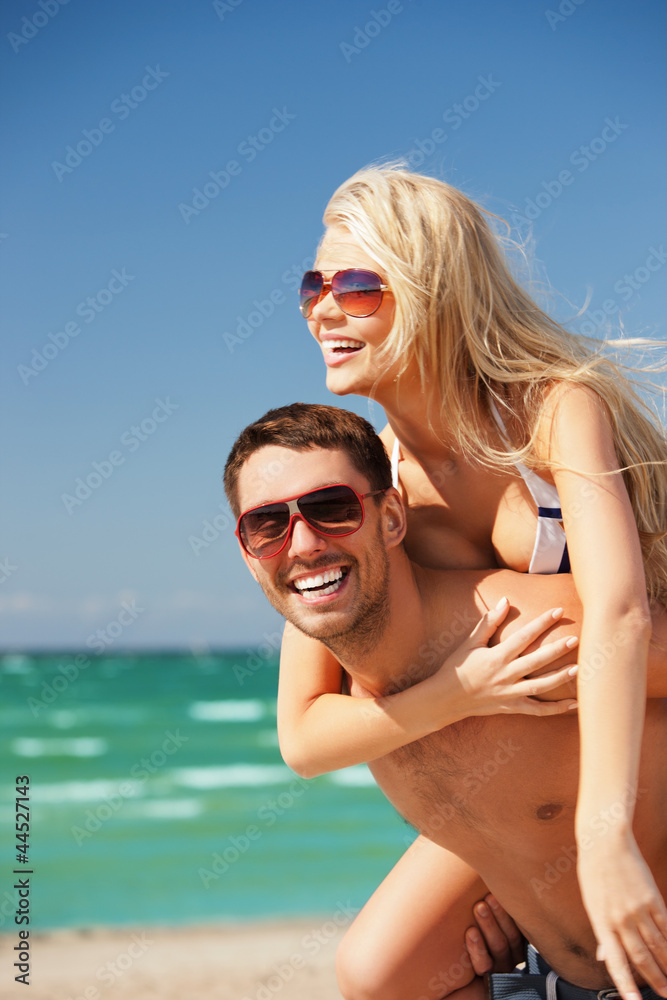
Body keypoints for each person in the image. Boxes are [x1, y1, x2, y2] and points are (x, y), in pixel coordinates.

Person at [275, 165, 667, 999]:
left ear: (429, 288)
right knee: (379, 974)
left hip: (625, 766)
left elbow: (621, 612)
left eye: (354, 284)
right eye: (314, 282)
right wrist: (458, 690)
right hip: (516, 812)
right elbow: (304, 731)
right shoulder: (364, 479)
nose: (321, 306)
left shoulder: (554, 407)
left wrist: (603, 838)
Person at [223, 402, 667, 1000]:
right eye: (267, 526)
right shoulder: (352, 693)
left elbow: (630, 629)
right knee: (378, 974)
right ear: (249, 557)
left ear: (391, 519)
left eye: (332, 509)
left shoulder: (515, 638)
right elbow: (300, 745)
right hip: (572, 978)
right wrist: (454, 695)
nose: (302, 544)